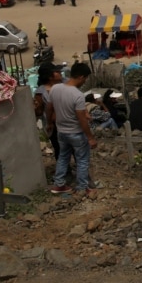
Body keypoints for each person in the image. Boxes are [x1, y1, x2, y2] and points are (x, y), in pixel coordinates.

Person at [47, 62, 97, 195]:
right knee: (82, 160)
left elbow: (49, 108)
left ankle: (59, 184)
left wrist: (49, 123)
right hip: (76, 133)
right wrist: (90, 137)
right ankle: (82, 187)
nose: (85, 81)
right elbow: (81, 119)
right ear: (81, 77)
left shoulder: (55, 89)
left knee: (63, 157)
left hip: (61, 132)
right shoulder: (78, 95)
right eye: (85, 78)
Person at [34, 62, 63, 157]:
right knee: (59, 149)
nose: (59, 73)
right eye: (56, 72)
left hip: (67, 122)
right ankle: (65, 170)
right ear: (50, 76)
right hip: (54, 126)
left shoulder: (63, 85)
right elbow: (39, 112)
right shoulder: (41, 92)